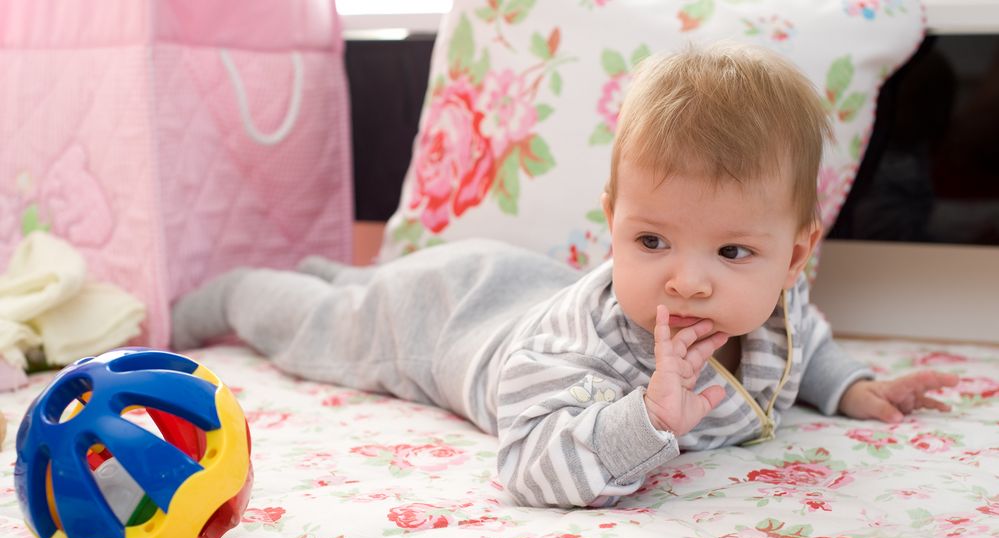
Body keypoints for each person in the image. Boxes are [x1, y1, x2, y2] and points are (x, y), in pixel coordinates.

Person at [172, 44, 958, 509]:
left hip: (517, 280)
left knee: (359, 283)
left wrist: (851, 387)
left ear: (793, 255)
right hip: (449, 319)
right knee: (328, 326)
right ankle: (237, 289)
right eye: (650, 239)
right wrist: (645, 419)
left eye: (731, 253)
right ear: (611, 218)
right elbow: (527, 464)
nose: (686, 281)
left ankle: (334, 274)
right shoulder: (577, 349)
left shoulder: (776, 305)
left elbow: (808, 341)